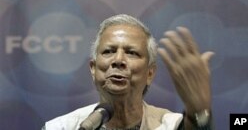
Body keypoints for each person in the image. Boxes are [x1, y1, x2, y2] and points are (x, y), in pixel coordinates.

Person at [42, 14, 214, 130]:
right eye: (108, 51)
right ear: (93, 68)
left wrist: (198, 112)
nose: (118, 60)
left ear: (150, 73)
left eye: (132, 53)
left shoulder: (171, 125)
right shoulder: (61, 127)